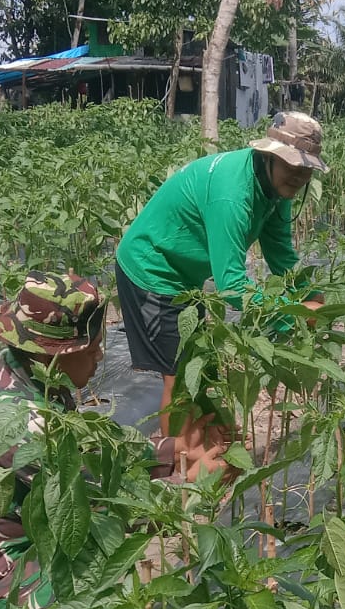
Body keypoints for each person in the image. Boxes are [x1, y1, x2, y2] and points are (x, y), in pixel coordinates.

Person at [0, 270, 221, 609]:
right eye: (91, 348)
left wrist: (171, 451)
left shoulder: (16, 368)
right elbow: (101, 497)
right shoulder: (20, 423)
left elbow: (95, 455)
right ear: (53, 353)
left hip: (2, 547)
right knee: (122, 587)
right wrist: (187, 488)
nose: (99, 356)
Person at [114, 110, 327, 460]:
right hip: (152, 268)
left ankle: (204, 450)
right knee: (179, 371)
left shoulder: (277, 191)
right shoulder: (233, 193)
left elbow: (282, 258)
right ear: (268, 156)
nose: (299, 176)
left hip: (187, 278)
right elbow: (231, 287)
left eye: (306, 170)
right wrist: (293, 315)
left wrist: (314, 298)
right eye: (291, 167)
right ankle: (175, 466)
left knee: (200, 364)